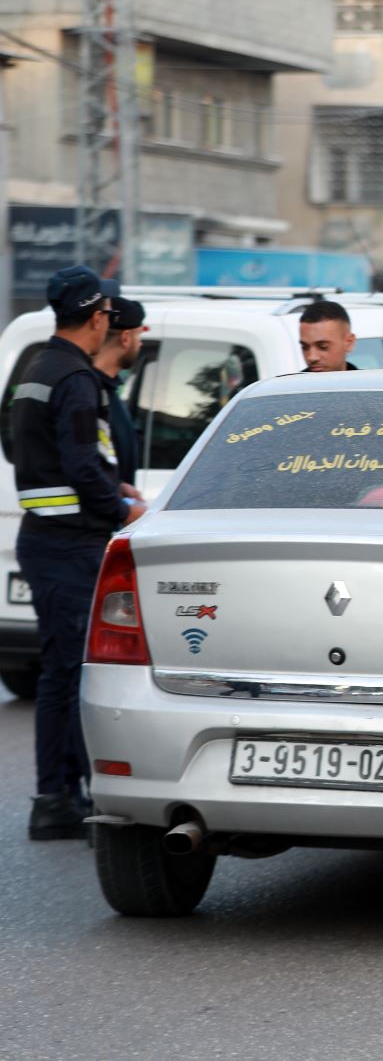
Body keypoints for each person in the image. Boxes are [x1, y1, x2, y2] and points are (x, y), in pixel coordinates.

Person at [12, 266, 147, 840]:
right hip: (71, 545)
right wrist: (122, 508)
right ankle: (65, 799)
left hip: (46, 538)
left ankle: (59, 796)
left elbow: (50, 457)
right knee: (76, 677)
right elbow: (82, 464)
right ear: (97, 319)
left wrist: (113, 487)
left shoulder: (37, 368)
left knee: (61, 675)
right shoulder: (75, 378)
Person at [94, 296, 147, 485]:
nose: (140, 344)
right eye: (138, 336)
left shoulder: (108, 391)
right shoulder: (90, 393)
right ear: (125, 338)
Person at [298, 300, 360, 372]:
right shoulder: (292, 380)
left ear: (349, 343)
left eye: (323, 346)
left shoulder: (367, 379)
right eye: (304, 347)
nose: (312, 357)